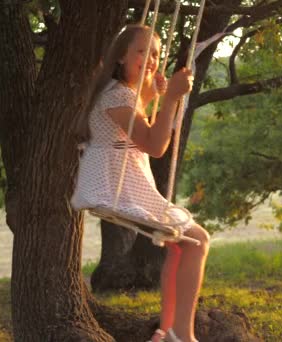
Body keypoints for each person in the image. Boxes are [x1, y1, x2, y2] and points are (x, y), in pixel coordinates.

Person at [71, 24, 210, 342]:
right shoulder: (117, 96)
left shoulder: (119, 94)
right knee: (197, 242)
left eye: (156, 54)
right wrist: (172, 98)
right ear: (121, 56)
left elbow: (139, 122)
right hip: (117, 187)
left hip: (121, 183)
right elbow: (154, 145)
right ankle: (181, 334)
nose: (151, 59)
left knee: (181, 247)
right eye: (142, 51)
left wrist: (153, 95)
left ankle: (168, 330)